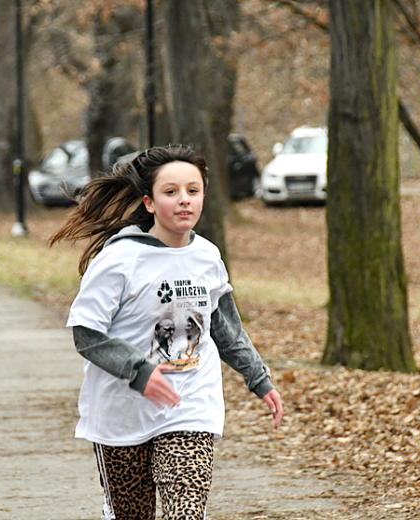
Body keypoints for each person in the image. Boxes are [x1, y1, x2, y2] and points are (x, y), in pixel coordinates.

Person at [49, 145, 283, 520]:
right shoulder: (119, 259)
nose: (184, 201)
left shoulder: (208, 256)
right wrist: (139, 371)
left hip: (188, 404)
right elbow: (87, 334)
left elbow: (223, 326)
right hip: (120, 414)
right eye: (170, 192)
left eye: (193, 190)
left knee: (185, 512)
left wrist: (259, 378)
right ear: (150, 202)